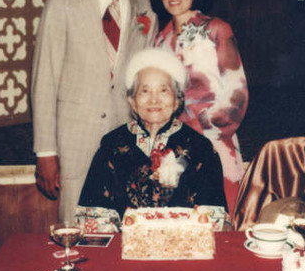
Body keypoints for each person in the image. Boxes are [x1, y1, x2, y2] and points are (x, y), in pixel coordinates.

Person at [31, 0, 158, 222]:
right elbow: (44, 77)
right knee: (75, 228)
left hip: (127, 139)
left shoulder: (145, 7)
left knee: (123, 225)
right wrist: (45, 151)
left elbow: (144, 80)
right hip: (74, 138)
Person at [75, 48, 227, 229]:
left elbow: (211, 215)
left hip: (182, 247)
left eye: (164, 91)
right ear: (132, 100)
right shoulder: (112, 144)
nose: (154, 100)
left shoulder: (199, 147)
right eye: (145, 91)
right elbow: (95, 213)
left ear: (177, 100)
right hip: (124, 248)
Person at [154, 0, 248, 212]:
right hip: (171, 152)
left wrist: (196, 127)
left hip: (215, 144)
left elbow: (236, 99)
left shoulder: (217, 30)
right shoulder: (159, 41)